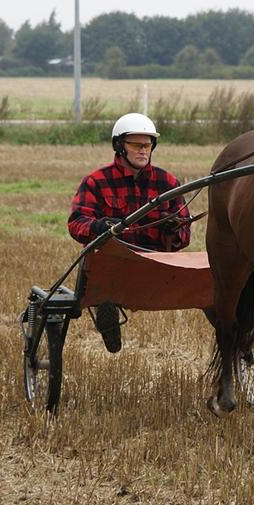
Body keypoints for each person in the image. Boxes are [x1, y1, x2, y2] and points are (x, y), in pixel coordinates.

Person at [69, 112, 191, 353]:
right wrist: (98, 227)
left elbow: (184, 235)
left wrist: (174, 227)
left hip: (157, 265)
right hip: (114, 264)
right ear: (119, 146)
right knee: (101, 265)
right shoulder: (95, 181)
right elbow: (76, 222)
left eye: (147, 145)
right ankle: (107, 309)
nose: (143, 151)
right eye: (136, 145)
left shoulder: (168, 182)